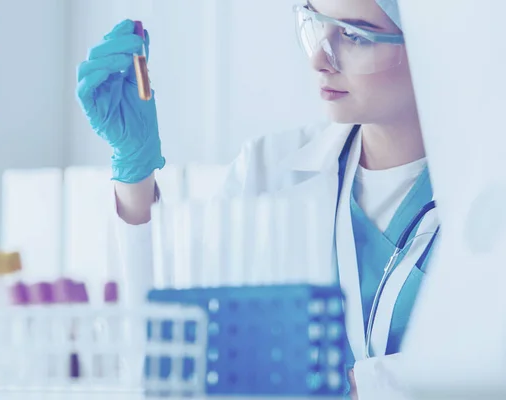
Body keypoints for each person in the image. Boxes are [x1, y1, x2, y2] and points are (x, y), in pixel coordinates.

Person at [75, 0, 439, 398]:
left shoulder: (487, 194)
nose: (320, 58)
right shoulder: (267, 171)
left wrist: (358, 385)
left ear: (433, 44)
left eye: (353, 36)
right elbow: (169, 356)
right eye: (316, 24)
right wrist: (135, 176)